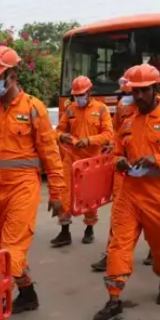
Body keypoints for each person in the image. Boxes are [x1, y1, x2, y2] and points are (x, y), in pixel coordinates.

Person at [94, 64, 160, 320]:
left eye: (143, 91)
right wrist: (118, 162)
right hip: (129, 194)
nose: (137, 96)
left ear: (156, 89)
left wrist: (156, 160)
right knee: (119, 244)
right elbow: (116, 153)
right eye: (134, 91)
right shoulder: (128, 121)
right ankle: (114, 299)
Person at [0, 45, 66, 313]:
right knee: (6, 247)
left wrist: (57, 192)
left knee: (9, 251)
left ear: (13, 76)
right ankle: (28, 294)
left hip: (23, 188)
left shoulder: (33, 108)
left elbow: (50, 153)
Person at [52, 75, 113, 247]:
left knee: (90, 197)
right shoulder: (70, 110)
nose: (78, 98)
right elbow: (58, 131)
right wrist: (61, 136)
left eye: (81, 94)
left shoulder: (102, 109)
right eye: (76, 95)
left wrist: (89, 140)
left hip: (91, 161)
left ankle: (89, 229)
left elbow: (108, 134)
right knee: (63, 195)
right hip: (71, 160)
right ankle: (64, 231)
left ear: (89, 92)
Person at [92, 71, 137, 272]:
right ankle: (112, 254)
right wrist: (111, 145)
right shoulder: (122, 107)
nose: (125, 97)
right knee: (119, 216)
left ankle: (157, 252)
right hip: (123, 171)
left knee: (155, 222)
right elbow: (115, 131)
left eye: (129, 93)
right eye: (124, 93)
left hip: (149, 177)